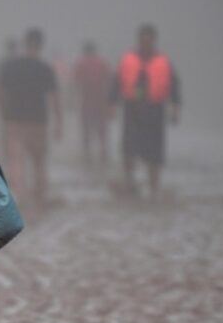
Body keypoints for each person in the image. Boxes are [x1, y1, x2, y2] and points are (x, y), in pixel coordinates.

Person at [111, 23, 181, 197]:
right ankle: (129, 184)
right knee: (129, 151)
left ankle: (154, 189)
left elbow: (174, 87)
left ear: (154, 41)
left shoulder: (163, 62)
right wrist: (111, 104)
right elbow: (116, 82)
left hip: (154, 111)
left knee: (154, 155)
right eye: (142, 39)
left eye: (148, 40)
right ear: (138, 40)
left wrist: (175, 109)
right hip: (132, 110)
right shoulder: (127, 60)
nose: (145, 43)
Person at [0, 27, 62, 206]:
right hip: (38, 121)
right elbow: (55, 97)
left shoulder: (11, 67)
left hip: (14, 120)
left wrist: (3, 113)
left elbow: (0, 92)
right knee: (38, 159)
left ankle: (19, 196)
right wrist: (59, 123)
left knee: (16, 158)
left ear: (25, 44)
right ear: (41, 45)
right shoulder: (45, 69)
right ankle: (39, 194)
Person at [72, 40, 113, 165]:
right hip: (101, 100)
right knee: (102, 129)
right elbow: (110, 80)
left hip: (86, 100)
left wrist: (72, 101)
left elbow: (75, 82)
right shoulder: (102, 63)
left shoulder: (81, 64)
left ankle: (87, 155)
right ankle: (103, 154)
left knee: (87, 129)